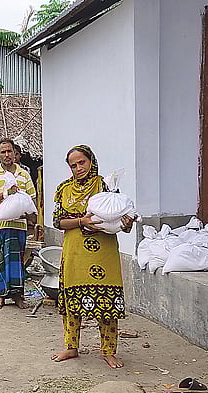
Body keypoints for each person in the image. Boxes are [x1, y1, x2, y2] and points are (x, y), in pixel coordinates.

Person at [50, 145, 133, 369]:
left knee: (107, 301)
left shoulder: (105, 186)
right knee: (72, 300)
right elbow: (57, 221)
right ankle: (71, 347)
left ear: (91, 161)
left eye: (82, 162)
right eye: (73, 165)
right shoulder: (63, 189)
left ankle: (108, 351)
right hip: (75, 250)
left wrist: (127, 225)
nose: (78, 168)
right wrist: (81, 221)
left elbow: (119, 217)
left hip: (104, 252)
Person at [0, 138, 37, 310]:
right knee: (1, 260)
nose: (7, 155)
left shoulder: (24, 175)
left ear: (15, 153)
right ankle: (1, 295)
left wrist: (31, 216)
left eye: (10, 151)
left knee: (18, 261)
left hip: (20, 225)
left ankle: (18, 296)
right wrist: (6, 193)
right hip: (0, 225)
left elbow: (32, 198)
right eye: (3, 152)